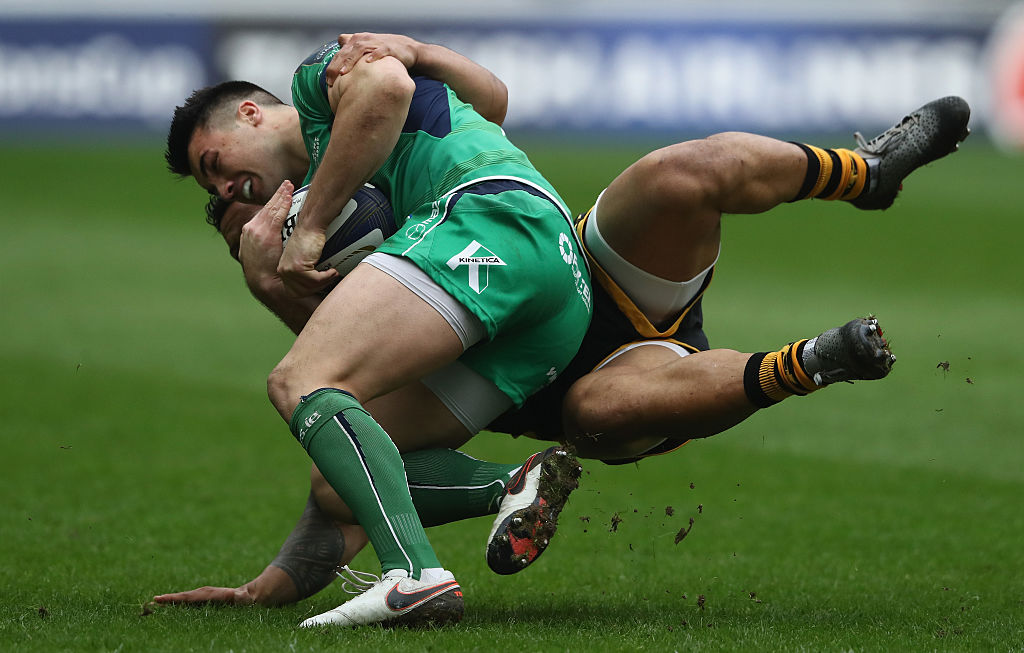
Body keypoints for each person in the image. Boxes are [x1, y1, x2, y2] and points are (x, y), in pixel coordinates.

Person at [156, 33, 970, 616]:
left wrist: (417, 59)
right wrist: (266, 587)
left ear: (252, 117)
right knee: (369, 469)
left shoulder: (325, 109)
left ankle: (866, 172)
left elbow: (440, 99)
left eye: (215, 167)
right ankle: (815, 358)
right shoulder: (287, 220)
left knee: (677, 174)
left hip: (553, 265)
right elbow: (344, 376)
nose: (226, 192)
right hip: (555, 363)